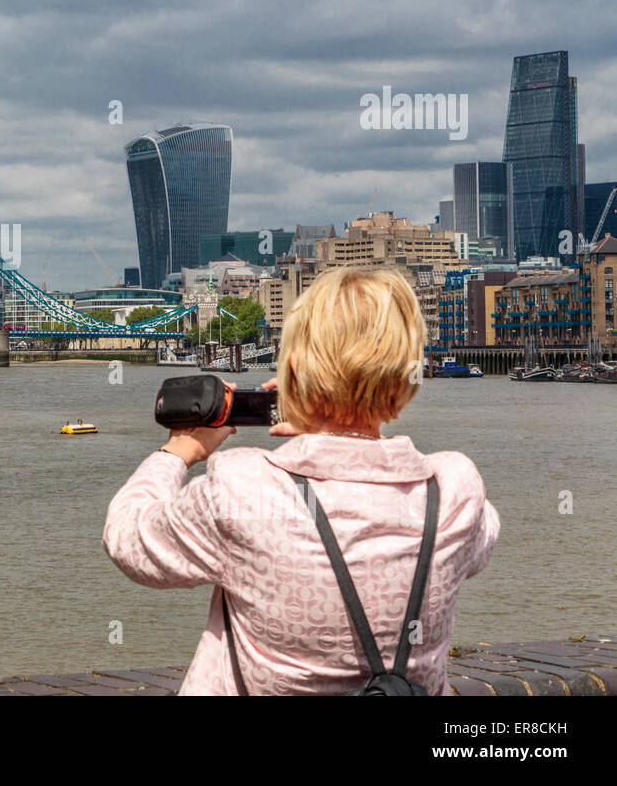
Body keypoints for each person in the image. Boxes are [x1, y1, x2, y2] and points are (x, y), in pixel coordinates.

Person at [103, 266, 499, 694]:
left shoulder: (244, 488)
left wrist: (179, 451)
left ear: (292, 365)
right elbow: (472, 539)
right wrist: (339, 429)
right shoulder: (454, 493)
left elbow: (129, 540)